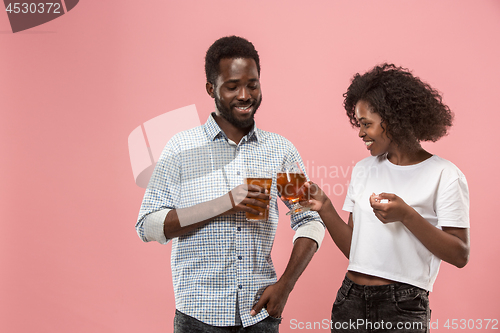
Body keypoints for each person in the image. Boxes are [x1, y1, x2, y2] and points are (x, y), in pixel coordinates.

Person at [135, 36, 325, 333]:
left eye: (252, 84)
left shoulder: (280, 151)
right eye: (232, 86)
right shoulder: (181, 148)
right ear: (211, 88)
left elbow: (309, 220)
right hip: (197, 316)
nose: (245, 95)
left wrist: (285, 286)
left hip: (259, 315)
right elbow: (148, 226)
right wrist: (225, 204)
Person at [302, 64, 470, 332]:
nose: (360, 133)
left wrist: (406, 215)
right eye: (359, 124)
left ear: (394, 119)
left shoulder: (446, 175)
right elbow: (355, 252)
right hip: (350, 300)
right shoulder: (363, 170)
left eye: (366, 124)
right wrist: (324, 207)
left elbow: (460, 254)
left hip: (402, 307)